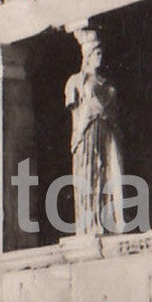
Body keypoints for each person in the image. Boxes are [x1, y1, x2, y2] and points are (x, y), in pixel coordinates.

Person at [65, 26, 124, 235]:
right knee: (91, 173)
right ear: (88, 56)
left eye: (101, 53)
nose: (100, 57)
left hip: (107, 130)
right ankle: (91, 223)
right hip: (87, 131)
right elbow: (75, 115)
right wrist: (77, 138)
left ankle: (111, 221)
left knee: (111, 169)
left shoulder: (108, 84)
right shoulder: (76, 81)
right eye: (96, 53)